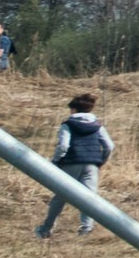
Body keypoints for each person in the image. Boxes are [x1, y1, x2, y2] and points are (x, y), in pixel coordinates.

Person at [33, 91, 111, 237]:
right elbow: (109, 146)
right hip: (92, 164)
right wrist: (101, 161)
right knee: (89, 197)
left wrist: (55, 161)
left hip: (71, 163)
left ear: (74, 110)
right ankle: (86, 228)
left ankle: (46, 229)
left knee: (61, 196)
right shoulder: (97, 126)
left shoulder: (68, 124)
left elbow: (63, 146)